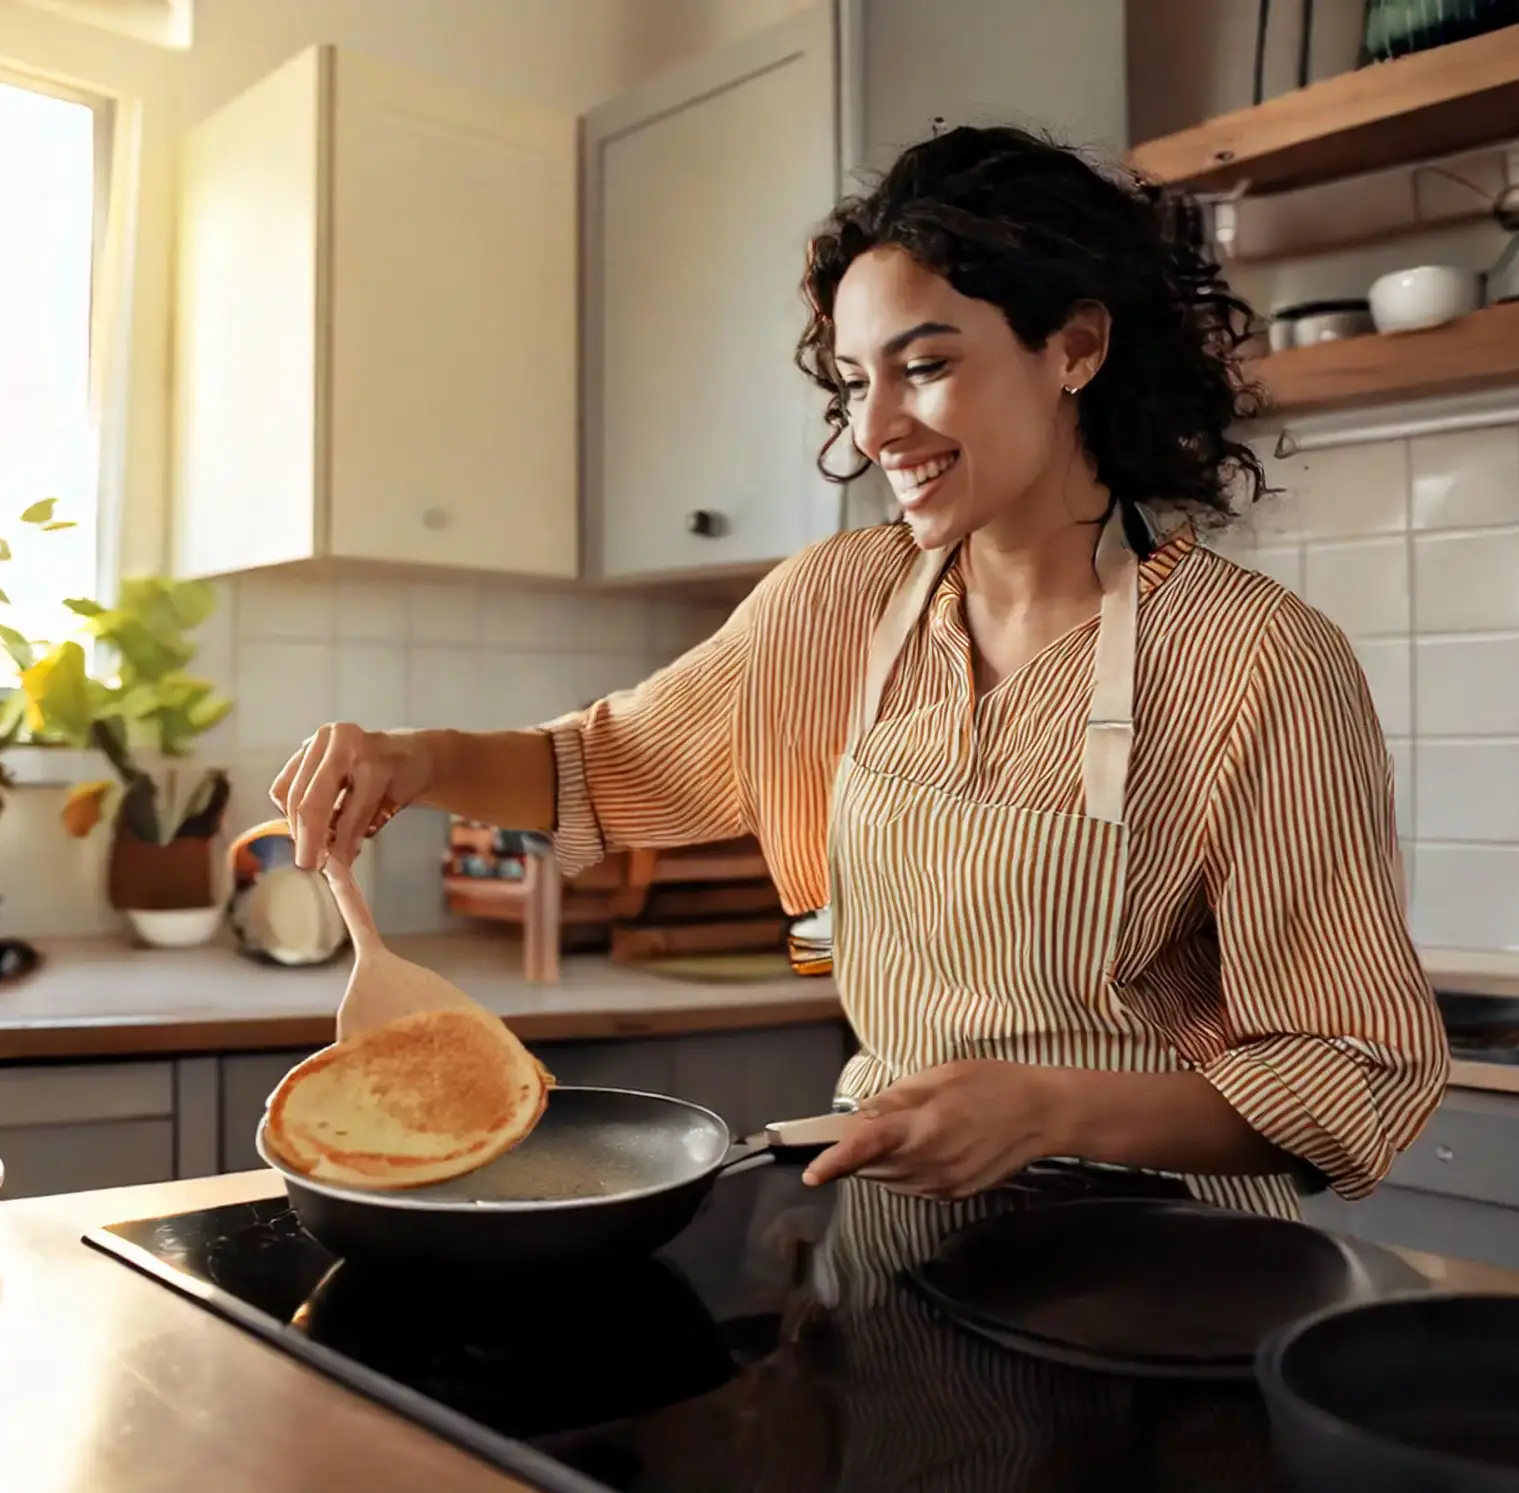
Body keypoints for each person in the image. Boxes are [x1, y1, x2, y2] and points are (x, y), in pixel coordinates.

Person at [272, 124, 1448, 1219]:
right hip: (896, 1222)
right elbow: (600, 764)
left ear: (1076, 348)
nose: (876, 426)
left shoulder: (1257, 661)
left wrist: (1050, 1109)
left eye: (923, 365)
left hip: (1169, 1264)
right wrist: (416, 758)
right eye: (851, 380)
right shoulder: (836, 604)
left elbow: (1359, 1070)